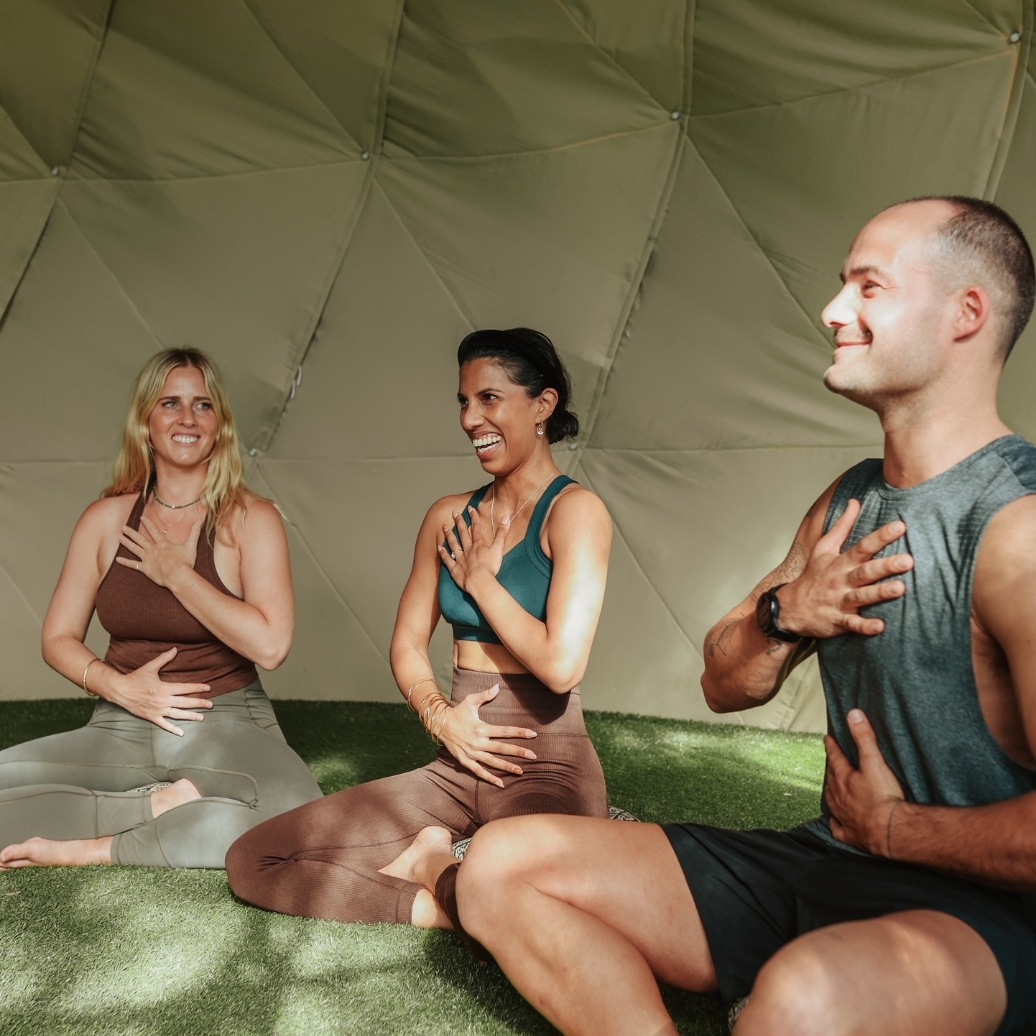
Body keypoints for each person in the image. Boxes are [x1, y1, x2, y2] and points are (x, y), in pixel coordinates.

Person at [449, 198, 1036, 1036]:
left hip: (987, 916)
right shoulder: (850, 499)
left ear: (965, 313)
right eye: (842, 288)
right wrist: (786, 613)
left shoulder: (1018, 527)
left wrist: (899, 828)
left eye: (868, 288)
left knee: (802, 1000)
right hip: (834, 858)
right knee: (501, 865)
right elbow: (724, 683)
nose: (835, 312)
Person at [225, 327, 612, 929]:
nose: (469, 418)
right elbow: (406, 643)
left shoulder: (576, 512)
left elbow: (562, 665)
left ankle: (437, 865)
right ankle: (441, 898)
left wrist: (483, 581)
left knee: (541, 910)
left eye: (489, 398)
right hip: (454, 765)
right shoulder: (447, 515)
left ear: (543, 405)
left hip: (545, 767)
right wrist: (440, 716)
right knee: (253, 858)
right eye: (463, 401)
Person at [0, 348, 321, 870]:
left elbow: (271, 645)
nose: (187, 418)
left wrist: (177, 573)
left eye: (203, 405)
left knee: (300, 820)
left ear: (219, 426)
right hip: (119, 727)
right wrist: (120, 688)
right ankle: (154, 806)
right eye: (170, 403)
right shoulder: (105, 520)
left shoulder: (251, 519)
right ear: (146, 423)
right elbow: (57, 637)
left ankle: (97, 849)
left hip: (224, 722)